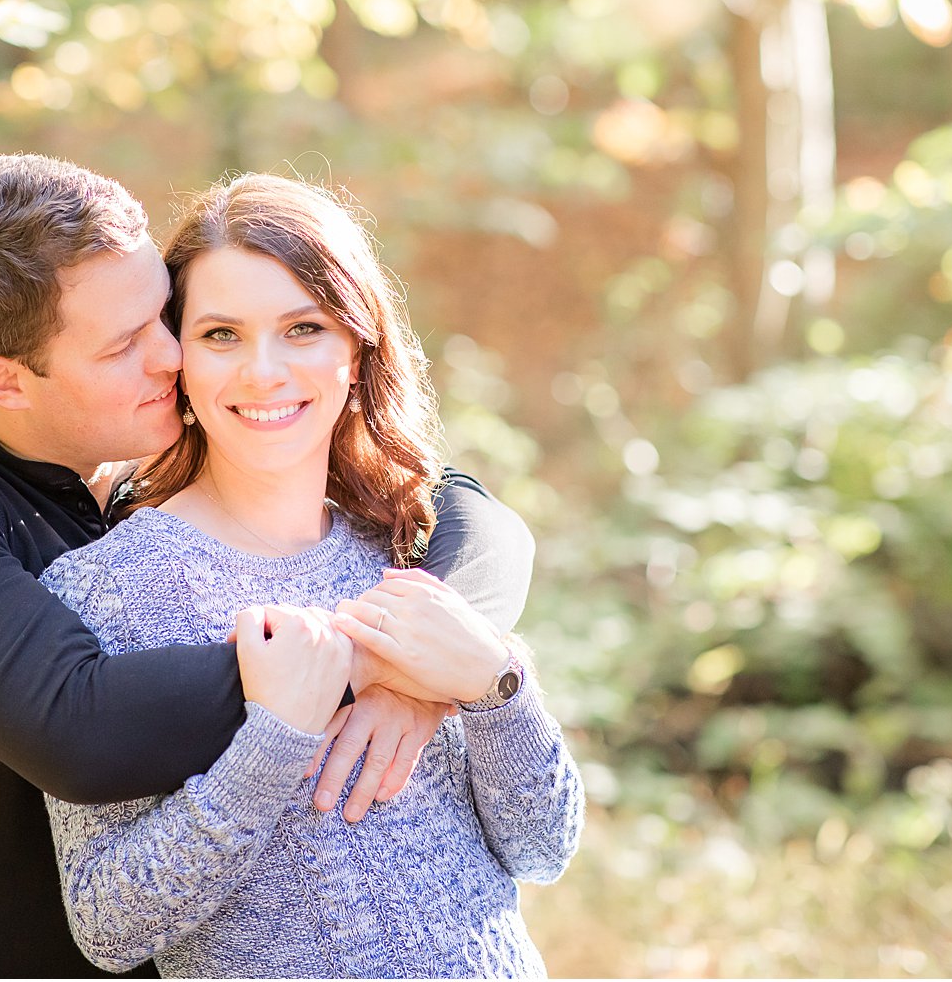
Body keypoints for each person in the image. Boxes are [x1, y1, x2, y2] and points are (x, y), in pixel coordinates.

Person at [0, 154, 538, 977]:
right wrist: (377, 656)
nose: (170, 356)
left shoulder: (142, 463)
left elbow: (471, 514)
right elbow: (80, 727)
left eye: (165, 316)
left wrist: (427, 672)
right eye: (126, 344)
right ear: (7, 382)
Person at [38, 174, 584, 978]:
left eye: (303, 328)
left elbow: (542, 848)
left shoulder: (412, 545)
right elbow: (107, 922)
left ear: (357, 350)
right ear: (176, 358)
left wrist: (495, 686)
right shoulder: (105, 589)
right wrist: (273, 743)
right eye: (222, 334)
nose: (263, 372)